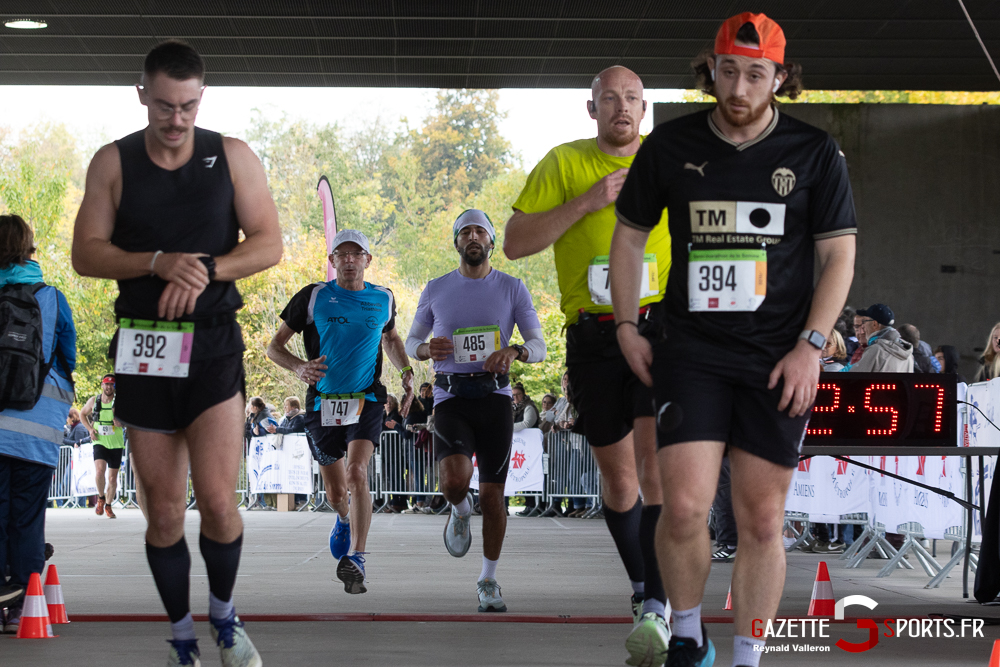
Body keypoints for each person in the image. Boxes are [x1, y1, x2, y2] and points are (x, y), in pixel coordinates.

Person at [610, 13, 856, 667]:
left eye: (756, 74)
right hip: (690, 349)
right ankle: (688, 636)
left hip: (779, 358)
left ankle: (748, 658)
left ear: (780, 78)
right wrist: (628, 324)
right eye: (728, 70)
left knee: (761, 519)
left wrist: (811, 344)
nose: (740, 86)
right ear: (710, 71)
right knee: (684, 504)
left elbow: (839, 258)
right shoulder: (669, 146)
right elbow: (629, 236)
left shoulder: (814, 153)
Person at [71, 40, 282, 667]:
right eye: (164, 105)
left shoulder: (233, 155)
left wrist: (207, 269)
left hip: (214, 342)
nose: (177, 119)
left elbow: (268, 243)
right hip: (143, 344)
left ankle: (224, 617)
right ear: (142, 95)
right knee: (161, 510)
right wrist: (159, 262)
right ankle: (182, 636)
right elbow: (87, 253)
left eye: (188, 105)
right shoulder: (112, 162)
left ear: (202, 98)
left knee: (219, 500)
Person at [504, 64, 672, 663]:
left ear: (645, 109)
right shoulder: (564, 162)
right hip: (593, 335)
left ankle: (657, 605)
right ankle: (641, 588)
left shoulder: (667, 157)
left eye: (633, 99)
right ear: (591, 109)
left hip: (659, 326)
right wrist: (590, 201)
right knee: (620, 481)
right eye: (610, 99)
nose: (622, 108)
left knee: (655, 475)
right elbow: (516, 242)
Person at [406, 209, 546, 613]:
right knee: (453, 482)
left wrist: (515, 350)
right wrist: (423, 349)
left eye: (479, 231)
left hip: (496, 399)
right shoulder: (436, 289)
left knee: (494, 496)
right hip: (451, 397)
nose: (472, 236)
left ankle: (488, 579)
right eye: (465, 231)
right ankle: (459, 510)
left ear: (489, 243)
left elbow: (539, 346)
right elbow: (413, 337)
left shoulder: (513, 288)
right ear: (456, 242)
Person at [267, 228, 413, 595]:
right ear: (332, 261)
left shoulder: (383, 298)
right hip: (322, 403)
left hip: (367, 398)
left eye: (356, 254)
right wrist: (299, 367)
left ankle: (358, 557)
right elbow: (274, 347)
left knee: (357, 472)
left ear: (367, 260)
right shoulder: (314, 296)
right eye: (341, 255)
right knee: (335, 493)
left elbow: (392, 339)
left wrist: (406, 372)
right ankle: (343, 518)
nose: (349, 260)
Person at [0, 214, 76, 632]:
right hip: (37, 429)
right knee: (27, 518)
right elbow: (70, 358)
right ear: (29, 248)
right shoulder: (51, 298)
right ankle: (21, 610)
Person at [81, 374, 126, 519]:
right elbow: (82, 414)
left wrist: (121, 423)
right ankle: (101, 498)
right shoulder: (94, 401)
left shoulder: (120, 402)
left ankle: (108, 505)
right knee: (100, 471)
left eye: (111, 385)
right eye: (106, 384)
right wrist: (89, 429)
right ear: (102, 385)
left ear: (114, 387)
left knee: (112, 479)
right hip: (99, 440)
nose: (108, 387)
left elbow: (129, 420)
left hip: (116, 442)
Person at [847, 304, 913, 373]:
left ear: (874, 324)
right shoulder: (908, 352)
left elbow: (853, 378)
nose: (863, 327)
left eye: (864, 322)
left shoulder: (876, 350)